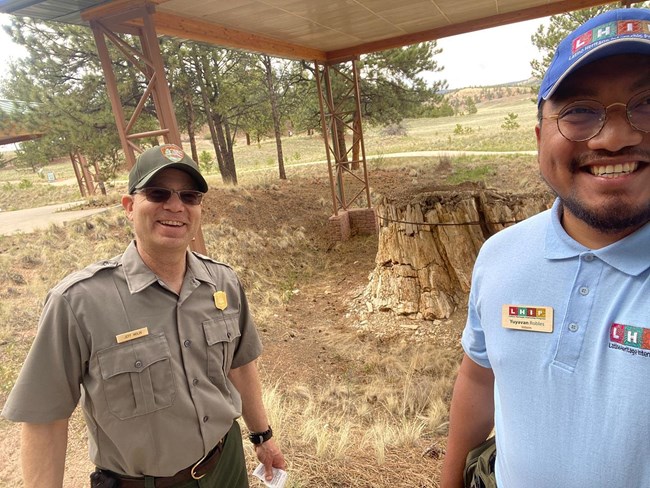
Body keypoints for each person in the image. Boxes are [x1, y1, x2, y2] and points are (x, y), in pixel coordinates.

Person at [441, 8, 650, 488]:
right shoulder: (500, 255)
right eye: (579, 111)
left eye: (648, 103)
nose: (615, 138)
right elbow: (479, 378)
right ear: (540, 139)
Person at [2, 144, 286, 487]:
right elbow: (45, 418)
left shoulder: (222, 282)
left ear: (199, 209)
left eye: (189, 195)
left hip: (225, 468)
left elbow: (239, 365)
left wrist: (262, 436)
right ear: (129, 207)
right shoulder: (78, 302)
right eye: (157, 192)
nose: (175, 205)